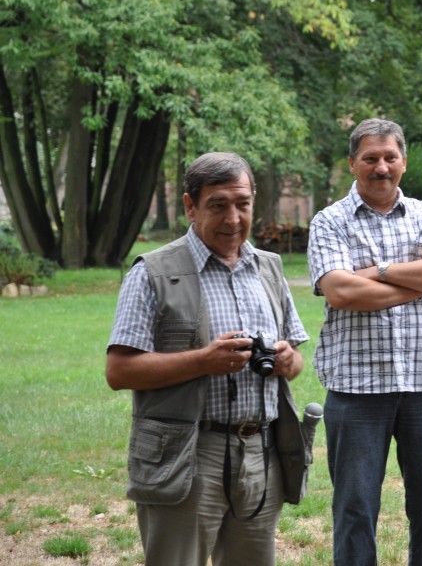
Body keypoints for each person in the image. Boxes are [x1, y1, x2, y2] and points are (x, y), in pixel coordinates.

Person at [105, 152, 309, 566]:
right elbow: (119, 370)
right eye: (218, 205)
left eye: (243, 204)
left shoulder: (268, 268)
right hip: (188, 452)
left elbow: (295, 358)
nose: (233, 219)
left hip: (261, 452)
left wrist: (288, 360)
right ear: (190, 206)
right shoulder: (153, 273)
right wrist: (204, 360)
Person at [307, 118, 422, 566]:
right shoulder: (329, 222)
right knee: (355, 509)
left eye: (390, 157)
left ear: (404, 161)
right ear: (353, 163)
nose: (381, 167)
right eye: (370, 158)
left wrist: (375, 272)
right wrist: (419, 278)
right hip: (356, 389)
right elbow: (340, 291)